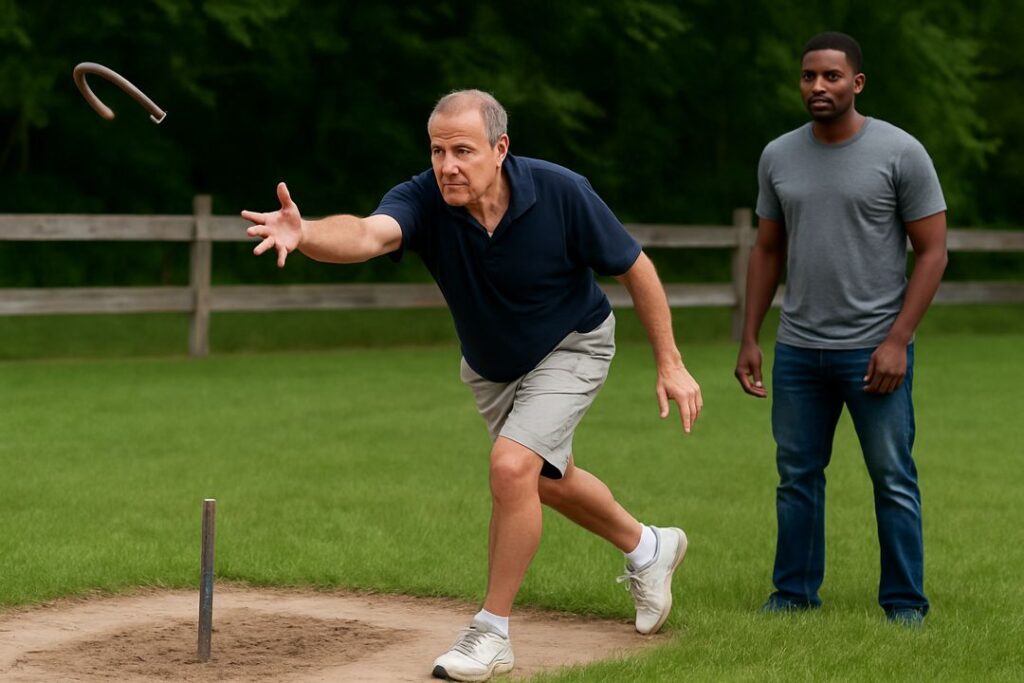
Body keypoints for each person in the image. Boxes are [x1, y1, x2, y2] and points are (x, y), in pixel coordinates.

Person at [243, 89, 702, 680]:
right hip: (492, 367)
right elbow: (367, 234)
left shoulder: (561, 191)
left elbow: (634, 266)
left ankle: (491, 633)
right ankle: (649, 547)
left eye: (463, 150)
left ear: (500, 149)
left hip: (573, 343)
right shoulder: (423, 199)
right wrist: (305, 235)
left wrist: (670, 360)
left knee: (513, 468)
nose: (447, 165)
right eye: (438, 151)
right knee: (545, 483)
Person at [735, 32, 948, 627]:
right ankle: (794, 595)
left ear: (856, 83)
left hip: (874, 351)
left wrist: (897, 341)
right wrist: (751, 336)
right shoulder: (778, 155)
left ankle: (904, 603)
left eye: (831, 77)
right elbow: (767, 250)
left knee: (893, 478)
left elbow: (933, 253)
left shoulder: (901, 152)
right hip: (799, 349)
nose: (818, 87)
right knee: (796, 477)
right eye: (808, 77)